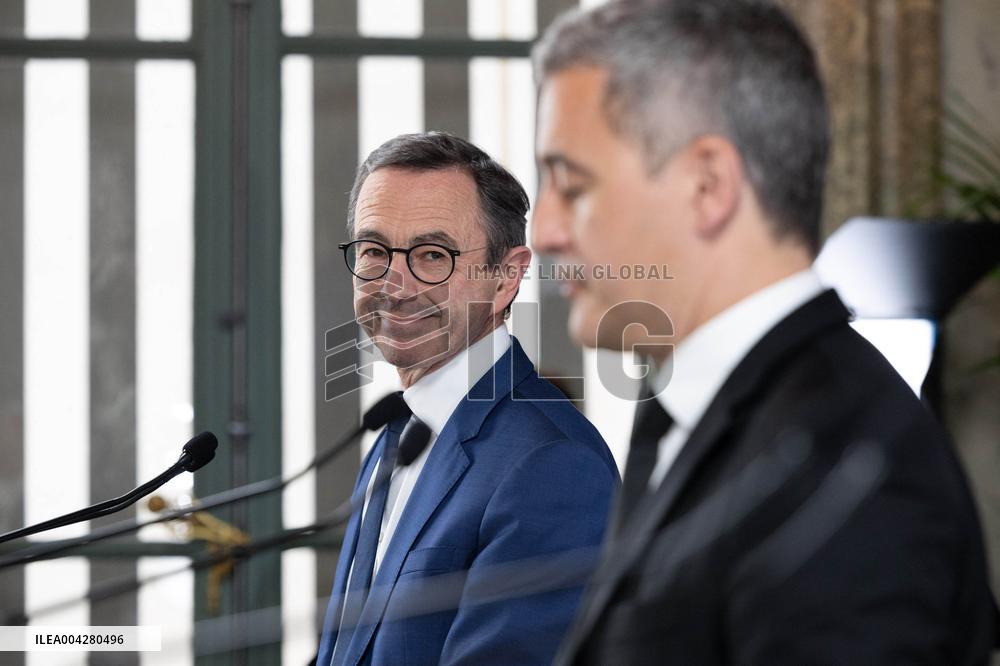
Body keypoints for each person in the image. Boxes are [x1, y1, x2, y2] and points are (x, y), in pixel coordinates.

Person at [530, 1, 996, 664]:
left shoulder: (844, 466)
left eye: (571, 185)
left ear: (708, 185)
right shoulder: (704, 416)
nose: (544, 230)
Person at [315, 132, 619, 666]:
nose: (395, 284)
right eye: (374, 251)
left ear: (506, 278)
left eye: (433, 255)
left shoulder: (552, 464)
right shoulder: (397, 432)